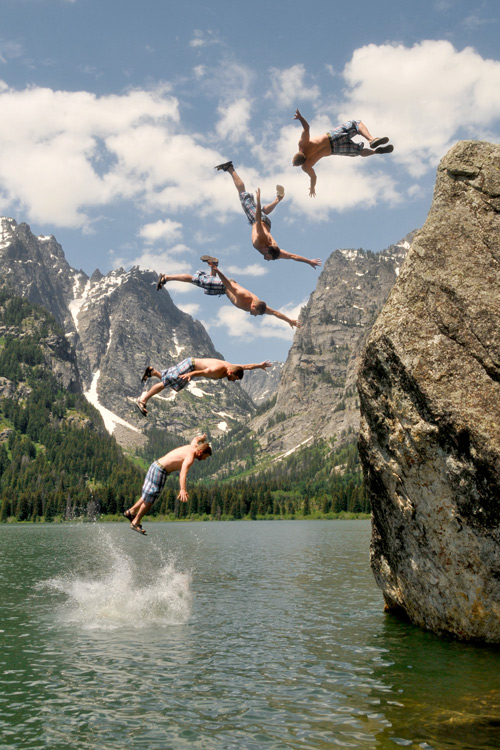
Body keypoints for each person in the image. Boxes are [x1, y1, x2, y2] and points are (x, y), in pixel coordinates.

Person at [214, 161, 321, 268]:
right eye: (267, 256)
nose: (268, 260)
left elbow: (293, 256)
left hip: (267, 222)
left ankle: (277, 199)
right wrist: (258, 200)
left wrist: (309, 261)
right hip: (257, 220)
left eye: (270, 259)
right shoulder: (261, 239)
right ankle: (230, 168)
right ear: (265, 249)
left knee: (263, 211)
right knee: (242, 193)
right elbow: (257, 218)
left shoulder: (276, 251)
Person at [157, 256, 302, 330]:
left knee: (206, 281)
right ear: (252, 306)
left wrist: (289, 320)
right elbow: (227, 283)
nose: (255, 316)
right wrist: (218, 270)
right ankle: (166, 277)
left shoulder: (261, 305)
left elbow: (276, 313)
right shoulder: (243, 296)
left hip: (225, 288)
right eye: (255, 313)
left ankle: (214, 265)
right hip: (226, 286)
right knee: (196, 280)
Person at [292, 109, 394, 197]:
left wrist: (312, 188)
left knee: (359, 151)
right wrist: (300, 118)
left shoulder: (306, 166)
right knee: (356, 124)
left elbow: (313, 177)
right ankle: (371, 139)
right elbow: (307, 127)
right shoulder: (303, 144)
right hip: (333, 136)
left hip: (335, 150)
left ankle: (375, 151)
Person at [124, 435, 212, 534]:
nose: (205, 459)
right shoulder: (190, 457)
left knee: (148, 495)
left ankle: (131, 512)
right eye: (206, 456)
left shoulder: (193, 446)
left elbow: (195, 439)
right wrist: (182, 489)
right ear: (200, 452)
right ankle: (135, 522)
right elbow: (183, 473)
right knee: (151, 499)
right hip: (160, 471)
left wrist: (202, 438)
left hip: (155, 466)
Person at [136, 355, 272, 415]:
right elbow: (204, 372)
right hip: (190, 366)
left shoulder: (234, 367)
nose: (233, 380)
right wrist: (190, 374)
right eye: (234, 378)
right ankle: (143, 400)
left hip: (191, 367)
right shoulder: (219, 369)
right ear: (230, 372)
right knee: (166, 383)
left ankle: (152, 372)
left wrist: (260, 365)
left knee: (173, 384)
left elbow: (246, 366)